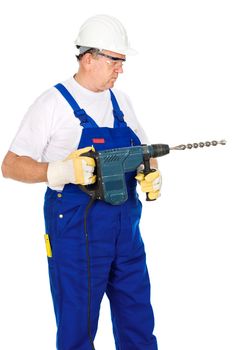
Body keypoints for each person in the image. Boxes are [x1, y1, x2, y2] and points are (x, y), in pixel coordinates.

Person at [1, 14, 161, 350]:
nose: (121, 69)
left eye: (122, 62)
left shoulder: (122, 102)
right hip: (75, 232)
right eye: (115, 60)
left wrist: (151, 173)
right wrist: (55, 172)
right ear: (88, 58)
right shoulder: (53, 104)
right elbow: (11, 165)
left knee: (138, 323)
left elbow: (145, 152)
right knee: (77, 329)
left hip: (126, 233)